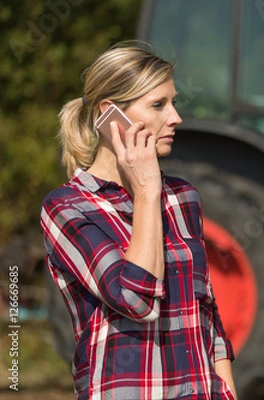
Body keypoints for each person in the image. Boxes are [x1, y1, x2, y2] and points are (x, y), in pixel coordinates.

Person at [40, 42, 237, 399]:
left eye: (173, 102)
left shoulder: (183, 197)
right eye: (158, 104)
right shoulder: (68, 207)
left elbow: (207, 314)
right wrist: (147, 192)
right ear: (110, 115)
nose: (175, 117)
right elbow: (135, 300)